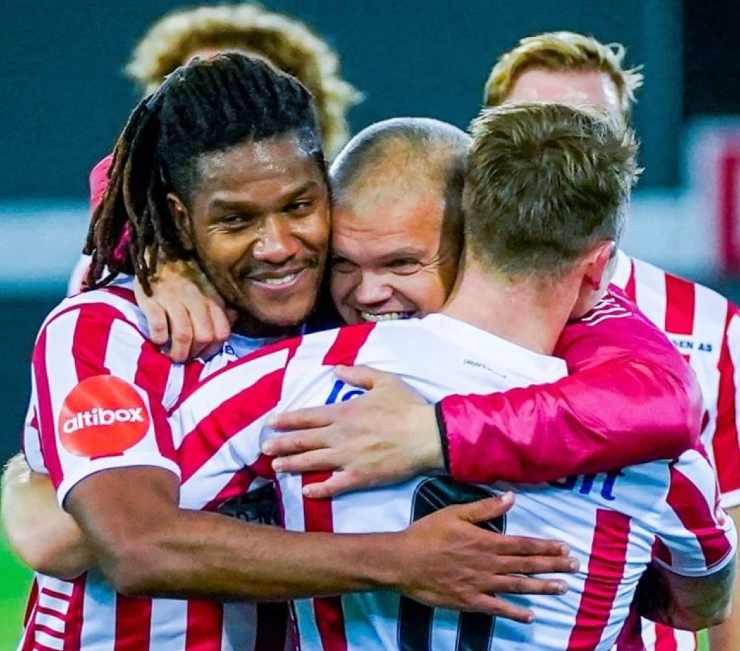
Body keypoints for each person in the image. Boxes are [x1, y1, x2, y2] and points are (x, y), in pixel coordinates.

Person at [9, 54, 577, 650]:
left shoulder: (355, 317)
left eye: (299, 207)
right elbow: (137, 546)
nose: (277, 246)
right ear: (182, 218)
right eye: (235, 221)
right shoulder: (109, 329)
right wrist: (401, 562)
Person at [164, 103, 736, 649]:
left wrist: (435, 437)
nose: (366, 293)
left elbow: (99, 529)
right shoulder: (656, 457)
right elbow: (702, 601)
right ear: (594, 267)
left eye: (402, 263)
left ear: (470, 239)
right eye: (342, 263)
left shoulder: (297, 379)